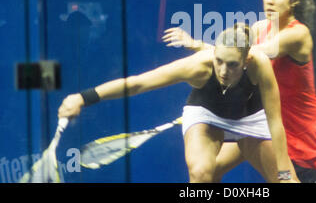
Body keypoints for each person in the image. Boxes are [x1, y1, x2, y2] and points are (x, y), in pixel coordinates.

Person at [163, 0, 316, 183]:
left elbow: (252, 55)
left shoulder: (297, 34)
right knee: (210, 171)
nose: (269, 0)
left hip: (303, 125)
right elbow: (235, 57)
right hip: (264, 122)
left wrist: (198, 44)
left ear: (294, 1)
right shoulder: (259, 27)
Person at [58, 24, 298, 183]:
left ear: (247, 59)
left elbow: (275, 122)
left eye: (232, 65)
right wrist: (82, 97)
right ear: (213, 53)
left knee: (286, 180)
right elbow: (137, 84)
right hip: (206, 114)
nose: (223, 71)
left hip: (250, 119)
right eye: (219, 61)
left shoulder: (260, 65)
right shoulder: (198, 66)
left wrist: (285, 172)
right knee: (202, 172)